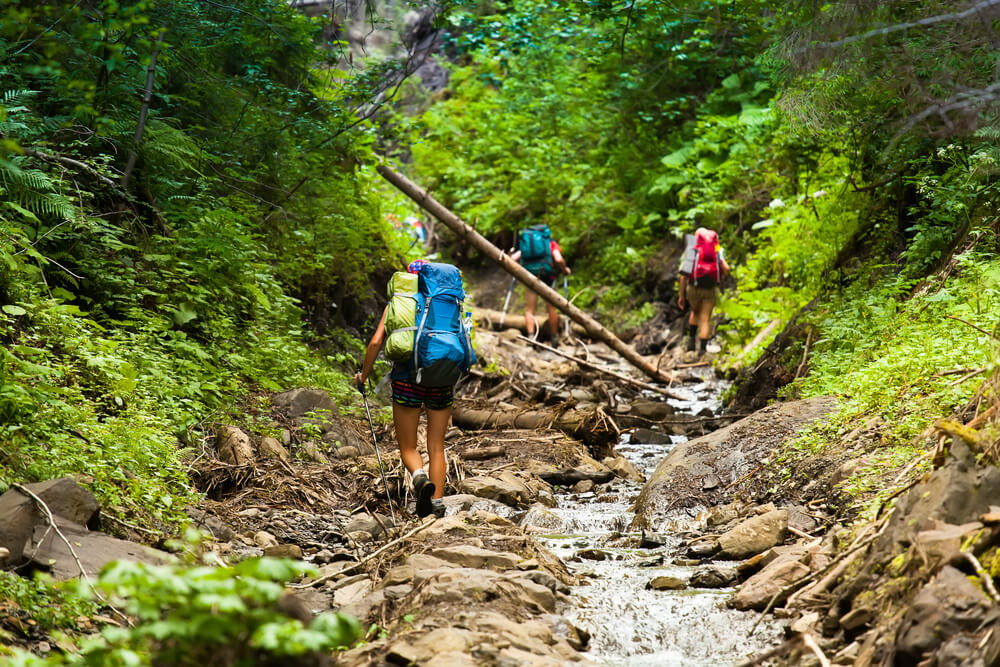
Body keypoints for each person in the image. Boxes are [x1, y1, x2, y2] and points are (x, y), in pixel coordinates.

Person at [355, 259, 449, 519]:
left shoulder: (399, 301)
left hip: (407, 379)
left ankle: (419, 477)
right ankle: (437, 504)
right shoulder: (446, 303)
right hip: (441, 380)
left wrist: (363, 375)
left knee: (408, 447)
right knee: (437, 447)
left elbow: (376, 342)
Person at [510, 225, 571, 343]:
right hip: (547, 276)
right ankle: (554, 337)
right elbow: (558, 259)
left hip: (530, 276)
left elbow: (513, 258)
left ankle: (531, 336)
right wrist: (565, 269)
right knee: (551, 307)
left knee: (529, 308)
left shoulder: (527, 243)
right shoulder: (550, 243)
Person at [677, 227, 730, 356]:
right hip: (711, 289)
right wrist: (718, 278)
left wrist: (681, 295)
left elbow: (683, 275)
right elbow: (726, 268)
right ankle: (702, 350)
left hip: (693, 288)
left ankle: (691, 346)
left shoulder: (692, 250)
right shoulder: (717, 250)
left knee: (694, 312)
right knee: (705, 318)